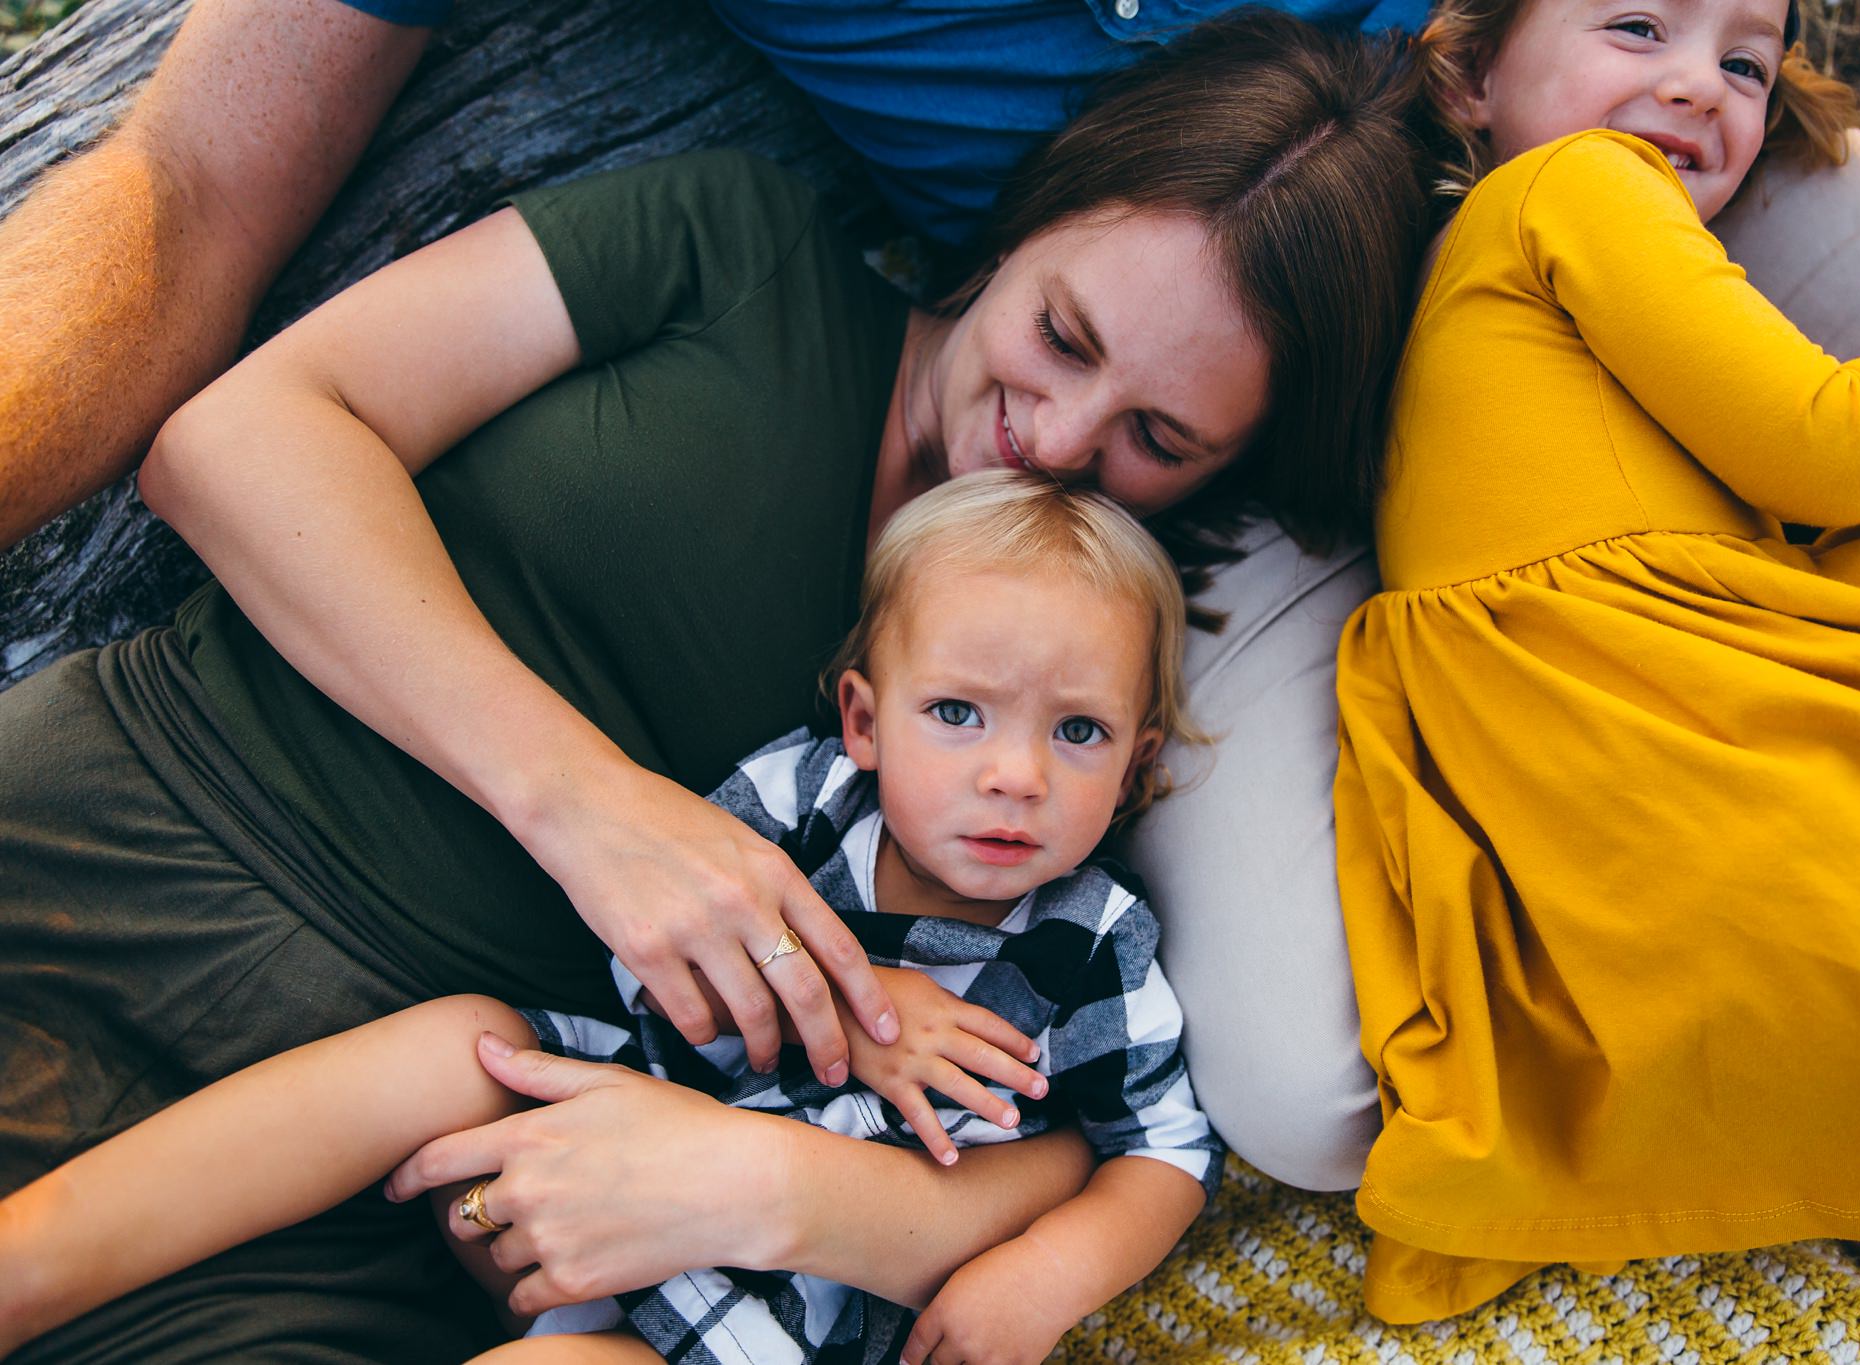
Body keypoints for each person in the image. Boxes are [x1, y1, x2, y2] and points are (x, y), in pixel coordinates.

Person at [0, 14, 1435, 1362]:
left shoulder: (1085, 659)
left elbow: (1069, 1073)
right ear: (1030, 221)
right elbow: (234, 446)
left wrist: (810, 1193)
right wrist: (588, 804)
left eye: (1159, 436)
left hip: (426, 1171)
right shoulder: (733, 251)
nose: (1050, 439)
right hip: (115, 854)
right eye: (1062, 335)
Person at [1, 469, 1231, 1365]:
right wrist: (850, 1007)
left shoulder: (1090, 943)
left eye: (1076, 732)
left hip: (764, 1317)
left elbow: (1164, 1150)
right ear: (863, 718)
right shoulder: (803, 797)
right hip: (581, 1150)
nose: (1014, 773)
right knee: (457, 1044)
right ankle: (32, 1265)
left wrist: (1047, 1276)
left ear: (1133, 766)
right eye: (957, 713)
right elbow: (649, 969)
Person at [1330, 0, 1860, 1325]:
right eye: (1639, 27)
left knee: (1835, 908)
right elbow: (1818, 439)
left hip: (1575, 791)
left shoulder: (1436, 261)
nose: (1697, 86)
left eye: (1743, 65)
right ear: (1475, 70)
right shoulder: (1577, 184)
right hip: (1660, 695)